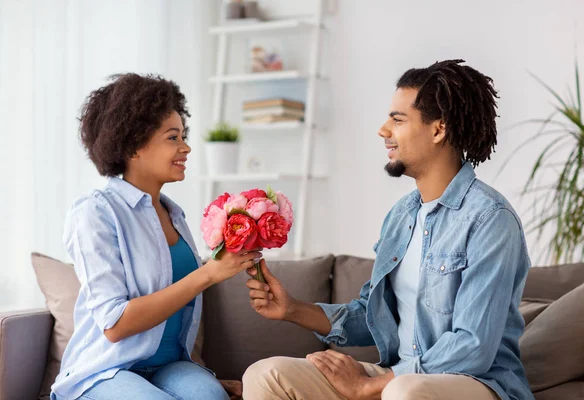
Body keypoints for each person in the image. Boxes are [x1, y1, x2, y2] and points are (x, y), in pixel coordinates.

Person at [243, 59, 535, 400]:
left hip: (478, 384)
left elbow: (474, 346)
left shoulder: (490, 219)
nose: (383, 130)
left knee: (404, 392)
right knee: (267, 375)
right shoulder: (402, 215)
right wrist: (292, 309)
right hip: (398, 378)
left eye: (397, 120)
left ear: (438, 129)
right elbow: (371, 315)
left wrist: (375, 384)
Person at [51, 73, 259, 400]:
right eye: (173, 137)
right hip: (107, 369)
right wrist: (208, 274)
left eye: (183, 135)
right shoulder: (94, 212)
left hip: (170, 366)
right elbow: (115, 324)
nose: (186, 147)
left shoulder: (174, 214)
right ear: (134, 145)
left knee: (211, 397)